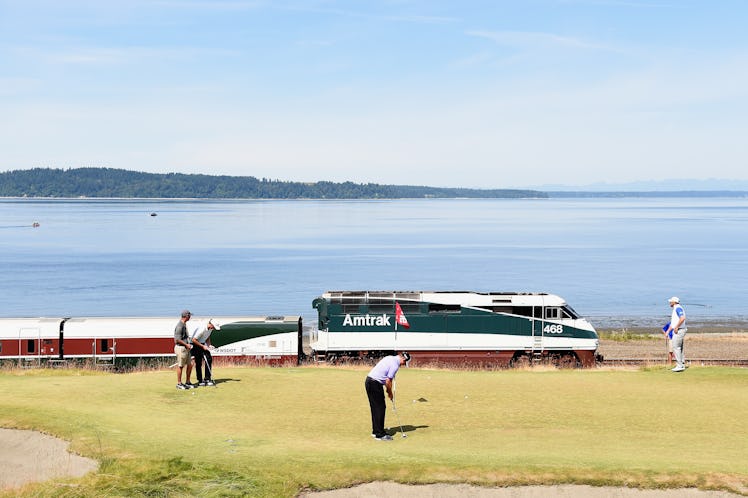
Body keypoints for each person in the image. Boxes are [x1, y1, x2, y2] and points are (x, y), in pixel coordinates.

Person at [364, 352, 411, 441]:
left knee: (375, 408)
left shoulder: (390, 358)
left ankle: (376, 431)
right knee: (380, 408)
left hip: (369, 381)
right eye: (404, 363)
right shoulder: (395, 365)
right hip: (375, 383)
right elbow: (388, 381)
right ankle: (380, 435)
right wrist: (390, 393)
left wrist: (389, 392)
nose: (403, 365)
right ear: (403, 359)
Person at [191, 319, 220, 386]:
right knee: (198, 362)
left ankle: (207, 378)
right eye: (213, 327)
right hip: (195, 344)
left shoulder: (210, 329)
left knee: (209, 359)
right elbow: (194, 340)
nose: (213, 328)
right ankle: (200, 380)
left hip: (202, 344)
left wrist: (209, 345)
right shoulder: (202, 328)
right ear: (210, 324)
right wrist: (203, 346)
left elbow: (207, 337)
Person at [665, 297, 687, 372]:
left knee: (676, 347)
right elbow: (673, 323)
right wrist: (668, 331)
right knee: (679, 347)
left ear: (674, 302)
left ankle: (679, 365)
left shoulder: (678, 308)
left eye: (671, 301)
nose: (669, 302)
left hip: (679, 330)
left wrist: (677, 327)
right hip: (678, 329)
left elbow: (682, 318)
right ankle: (682, 364)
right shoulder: (675, 309)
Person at [174, 310, 195, 389]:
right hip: (181, 348)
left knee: (190, 365)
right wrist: (186, 344)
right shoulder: (180, 326)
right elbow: (177, 339)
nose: (190, 317)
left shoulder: (184, 324)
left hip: (186, 348)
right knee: (181, 365)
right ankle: (179, 384)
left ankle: (187, 382)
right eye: (189, 316)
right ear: (186, 316)